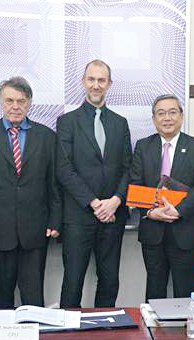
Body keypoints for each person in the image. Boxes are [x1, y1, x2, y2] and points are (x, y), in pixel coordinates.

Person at [0, 76, 61, 308]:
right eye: (9, 100)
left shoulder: (47, 136)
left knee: (33, 295)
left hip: (35, 227)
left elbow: (54, 184)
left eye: (21, 101)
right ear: (0, 102)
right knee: (0, 295)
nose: (15, 107)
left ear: (29, 103)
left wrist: (55, 220)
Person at [56, 60, 132, 308]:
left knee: (110, 280)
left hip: (113, 215)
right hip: (78, 215)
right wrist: (94, 203)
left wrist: (115, 201)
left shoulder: (120, 123)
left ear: (109, 84)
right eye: (91, 79)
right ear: (83, 82)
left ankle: (105, 331)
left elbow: (127, 168)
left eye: (101, 80)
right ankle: (67, 334)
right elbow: (64, 169)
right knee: (73, 281)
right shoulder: (67, 122)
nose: (96, 85)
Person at [129, 94, 194, 300]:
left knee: (185, 291)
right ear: (154, 119)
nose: (167, 118)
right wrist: (151, 211)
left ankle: (184, 331)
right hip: (153, 231)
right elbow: (135, 184)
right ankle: (153, 331)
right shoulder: (143, 146)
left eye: (172, 112)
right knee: (154, 290)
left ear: (181, 116)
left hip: (186, 230)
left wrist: (179, 211)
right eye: (161, 113)